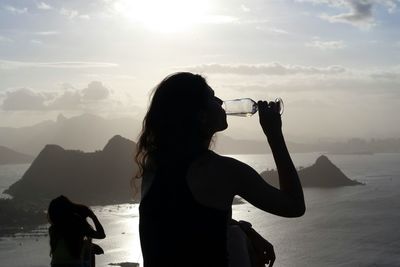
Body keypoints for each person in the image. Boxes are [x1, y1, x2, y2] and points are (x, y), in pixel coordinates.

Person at [135, 72, 305, 267]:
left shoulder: (154, 167)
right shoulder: (222, 171)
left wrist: (242, 229)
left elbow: (183, 224)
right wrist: (274, 134)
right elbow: (294, 205)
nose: (221, 102)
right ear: (200, 116)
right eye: (213, 98)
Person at [47, 195, 106, 267]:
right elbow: (101, 235)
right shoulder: (78, 224)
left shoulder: (53, 229)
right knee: (90, 251)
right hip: (75, 264)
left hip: (56, 264)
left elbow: (67, 244)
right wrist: (93, 217)